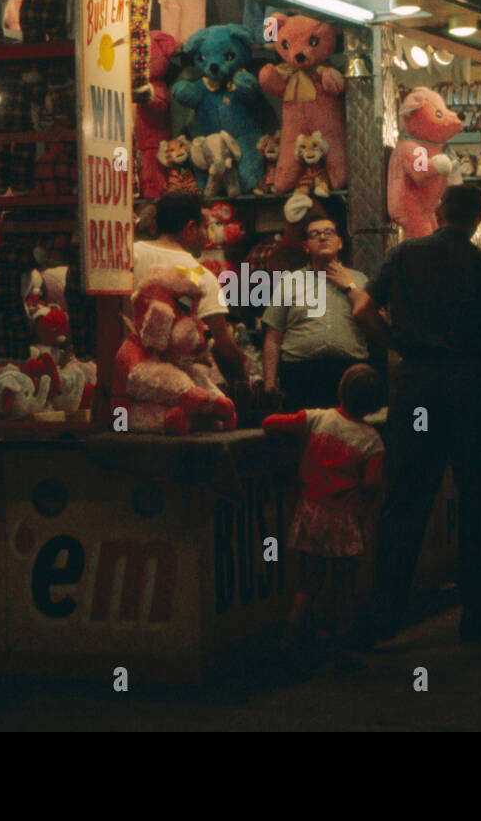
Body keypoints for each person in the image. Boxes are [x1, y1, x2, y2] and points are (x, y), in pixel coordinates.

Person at [350, 184, 481, 646]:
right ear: (479, 219)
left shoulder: (405, 255)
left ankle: (384, 614)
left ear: (437, 211)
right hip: (471, 388)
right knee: (476, 499)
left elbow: (363, 308)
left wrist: (397, 345)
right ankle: (475, 614)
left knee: (406, 497)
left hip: (417, 386)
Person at [263, 364, 386, 677]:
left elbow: (270, 423)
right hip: (345, 521)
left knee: (309, 582)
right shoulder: (372, 441)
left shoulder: (317, 418)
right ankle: (341, 652)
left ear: (340, 390)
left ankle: (288, 643)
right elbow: (372, 485)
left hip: (311, 512)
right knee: (345, 588)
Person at [131, 190, 248, 397]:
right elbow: (223, 347)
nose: (207, 237)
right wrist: (244, 386)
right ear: (191, 228)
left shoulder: (131, 254)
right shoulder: (202, 277)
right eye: (205, 228)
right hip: (173, 389)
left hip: (126, 372)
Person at [262, 208, 371, 411]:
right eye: (315, 234)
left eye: (329, 232)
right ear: (306, 246)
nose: (322, 237)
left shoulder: (360, 280)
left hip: (349, 375)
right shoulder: (290, 282)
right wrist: (269, 383)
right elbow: (273, 337)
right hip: (300, 375)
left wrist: (350, 288)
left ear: (340, 242)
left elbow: (375, 326)